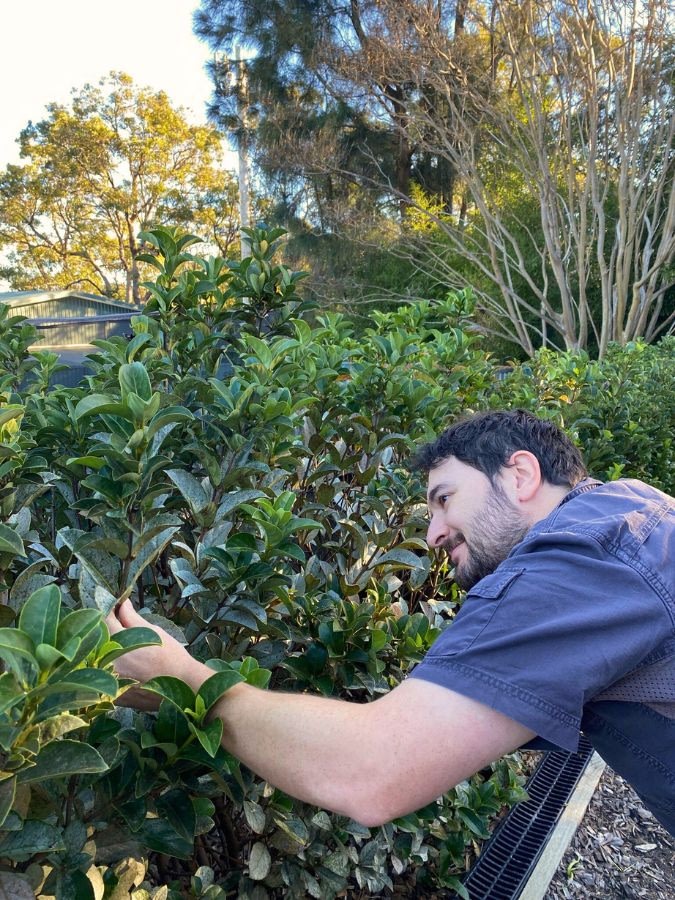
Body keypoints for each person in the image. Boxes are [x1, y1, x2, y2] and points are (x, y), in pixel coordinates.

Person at [107, 410, 675, 835]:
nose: (432, 533)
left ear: (520, 474)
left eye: (444, 499)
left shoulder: (579, 563)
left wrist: (180, 679)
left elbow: (375, 770)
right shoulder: (632, 511)